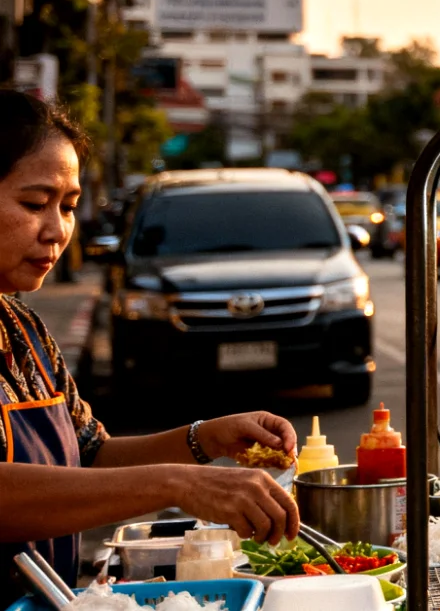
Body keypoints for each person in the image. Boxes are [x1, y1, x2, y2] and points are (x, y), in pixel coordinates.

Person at [0, 91, 299, 601]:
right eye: (34, 204)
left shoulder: (22, 328)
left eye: (68, 207)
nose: (57, 230)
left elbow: (89, 456)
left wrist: (206, 439)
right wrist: (177, 484)